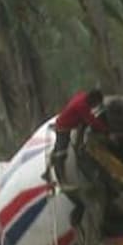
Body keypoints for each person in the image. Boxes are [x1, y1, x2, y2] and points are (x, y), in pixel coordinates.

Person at [43, 88, 107, 224]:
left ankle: (51, 168)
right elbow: (92, 121)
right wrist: (105, 131)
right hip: (63, 126)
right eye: (95, 104)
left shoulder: (82, 96)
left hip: (72, 121)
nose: (94, 107)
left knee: (72, 146)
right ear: (92, 100)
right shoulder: (82, 106)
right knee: (61, 152)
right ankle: (61, 177)